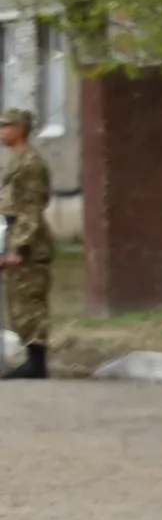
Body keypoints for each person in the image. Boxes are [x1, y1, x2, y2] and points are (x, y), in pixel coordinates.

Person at [0, 102, 49, 378]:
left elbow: (32, 208)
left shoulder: (31, 164)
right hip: (12, 234)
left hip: (29, 244)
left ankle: (37, 364)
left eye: (5, 126)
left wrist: (20, 247)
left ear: (20, 130)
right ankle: (31, 360)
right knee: (18, 303)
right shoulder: (15, 161)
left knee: (30, 302)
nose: (0, 131)